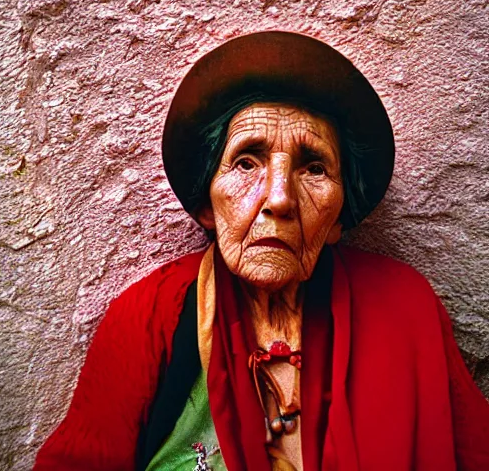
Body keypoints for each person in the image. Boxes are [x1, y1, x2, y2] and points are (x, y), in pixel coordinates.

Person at [34, 31, 489, 471]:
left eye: (314, 169)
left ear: (336, 221)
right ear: (208, 206)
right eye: (246, 162)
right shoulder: (149, 317)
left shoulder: (404, 307)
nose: (280, 199)